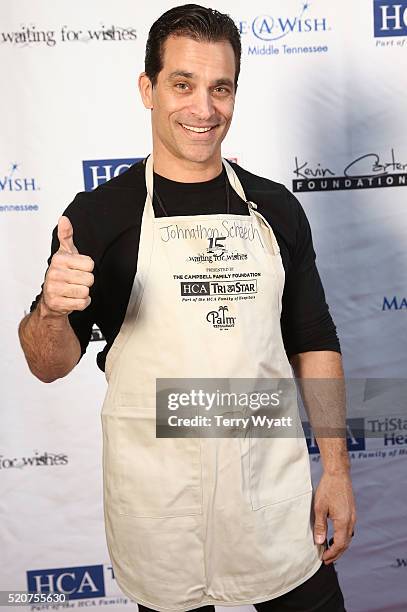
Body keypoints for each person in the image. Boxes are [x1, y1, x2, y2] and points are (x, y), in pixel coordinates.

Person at [18, 4, 356, 611]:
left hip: (270, 495)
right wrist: (50, 309)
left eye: (220, 88)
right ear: (148, 89)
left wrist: (336, 469)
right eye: (182, 85)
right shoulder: (98, 218)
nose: (204, 109)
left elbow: (314, 339)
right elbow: (48, 364)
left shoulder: (276, 210)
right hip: (160, 506)